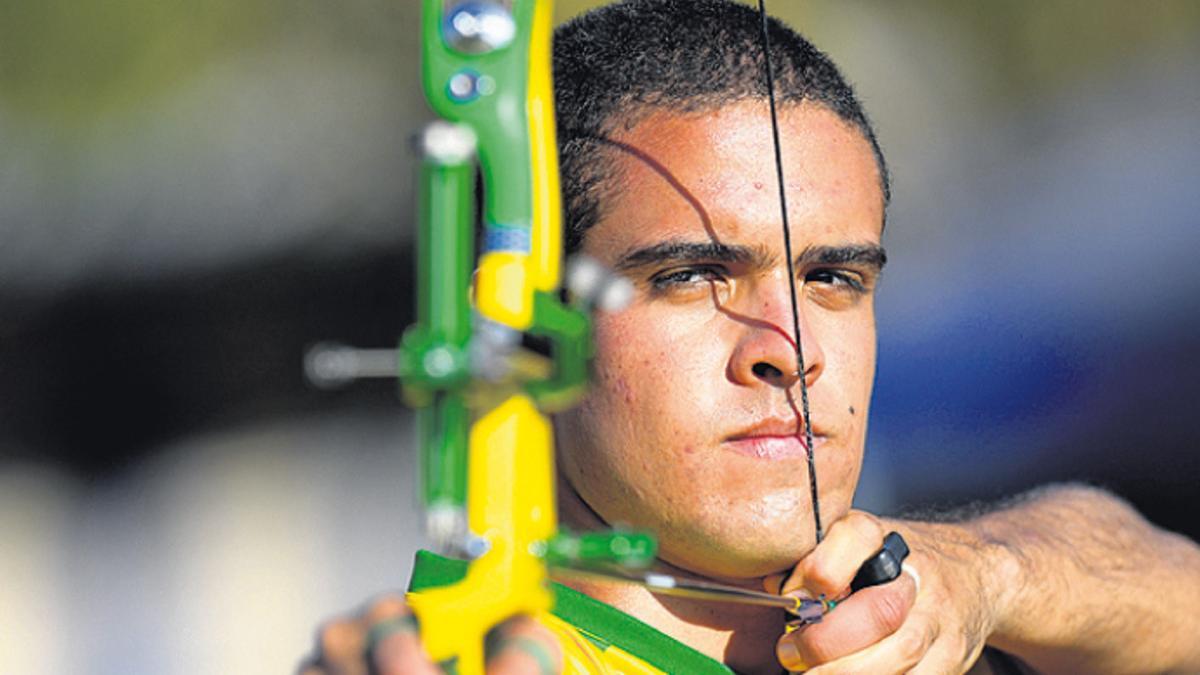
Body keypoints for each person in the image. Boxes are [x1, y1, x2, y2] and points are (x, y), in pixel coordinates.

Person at [304, 1, 1200, 673]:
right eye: (689, 276)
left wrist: (987, 577)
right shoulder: (477, 652)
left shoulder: (902, 616)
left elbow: (1161, 582)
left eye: (833, 278)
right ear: (521, 333)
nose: (788, 345)